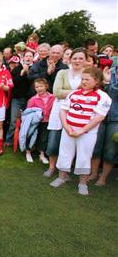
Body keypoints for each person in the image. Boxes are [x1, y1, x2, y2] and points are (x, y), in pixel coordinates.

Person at [50, 67, 111, 195]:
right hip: (69, 130)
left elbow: (99, 116)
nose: (83, 82)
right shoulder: (74, 93)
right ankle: (62, 177)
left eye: (87, 79)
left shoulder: (102, 96)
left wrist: (82, 130)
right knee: (65, 153)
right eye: (82, 79)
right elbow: (63, 110)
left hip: (87, 133)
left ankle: (82, 183)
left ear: (96, 81)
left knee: (84, 156)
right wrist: (67, 127)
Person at [44, 48, 87, 177]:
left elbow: (89, 93)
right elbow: (57, 92)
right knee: (53, 142)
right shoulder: (62, 73)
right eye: (75, 58)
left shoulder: (88, 74)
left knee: (70, 142)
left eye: (80, 58)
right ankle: (52, 167)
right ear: (69, 59)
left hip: (78, 112)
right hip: (59, 110)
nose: (77, 61)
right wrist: (78, 92)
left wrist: (67, 93)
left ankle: (65, 170)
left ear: (85, 60)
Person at [89, 64, 118, 185]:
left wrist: (109, 83)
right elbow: (95, 90)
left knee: (111, 150)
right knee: (95, 146)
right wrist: (102, 83)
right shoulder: (108, 71)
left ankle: (103, 177)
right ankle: (94, 173)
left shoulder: (110, 78)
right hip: (99, 116)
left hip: (116, 119)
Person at [25, 78, 55, 163]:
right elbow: (28, 111)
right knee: (31, 136)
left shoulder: (52, 97)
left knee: (43, 138)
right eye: (36, 87)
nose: (39, 88)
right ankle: (28, 152)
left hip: (46, 121)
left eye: (41, 86)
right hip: (35, 122)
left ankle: (41, 155)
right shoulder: (33, 99)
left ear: (46, 86)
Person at [5, 55, 31, 146]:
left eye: (30, 56)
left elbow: (33, 81)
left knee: (26, 122)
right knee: (13, 121)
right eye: (26, 57)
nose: (28, 58)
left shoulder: (34, 68)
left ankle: (22, 142)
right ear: (23, 58)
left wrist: (27, 73)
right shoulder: (17, 69)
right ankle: (9, 140)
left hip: (29, 99)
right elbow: (13, 82)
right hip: (16, 98)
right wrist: (22, 73)